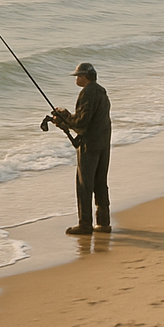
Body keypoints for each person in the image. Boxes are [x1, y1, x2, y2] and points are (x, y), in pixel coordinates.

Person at [52, 61, 112, 236]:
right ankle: (103, 222)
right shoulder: (101, 91)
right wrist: (67, 118)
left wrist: (65, 118)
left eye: (78, 76)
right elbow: (92, 120)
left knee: (84, 184)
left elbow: (82, 121)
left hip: (90, 145)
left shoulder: (86, 93)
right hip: (103, 143)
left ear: (85, 76)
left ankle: (85, 224)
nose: (76, 79)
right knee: (100, 183)